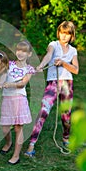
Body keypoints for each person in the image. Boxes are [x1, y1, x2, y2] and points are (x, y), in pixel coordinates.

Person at [25, 21, 79, 157]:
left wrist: (64, 63)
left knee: (66, 114)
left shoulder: (73, 51)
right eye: (62, 33)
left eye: (67, 34)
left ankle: (66, 138)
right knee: (44, 110)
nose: (64, 36)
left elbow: (76, 70)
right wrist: (41, 65)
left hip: (67, 83)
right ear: (58, 33)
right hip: (53, 83)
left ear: (72, 35)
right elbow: (48, 55)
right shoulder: (53, 44)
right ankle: (31, 144)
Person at [0, 41, 35, 165]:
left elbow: (23, 83)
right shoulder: (10, 64)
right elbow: (3, 76)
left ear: (29, 54)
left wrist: (11, 84)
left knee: (18, 127)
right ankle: (8, 142)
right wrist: (1, 82)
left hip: (19, 98)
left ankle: (16, 155)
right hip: (7, 98)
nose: (20, 53)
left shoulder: (29, 69)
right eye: (19, 50)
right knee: (5, 127)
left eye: (24, 51)